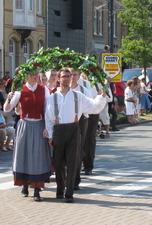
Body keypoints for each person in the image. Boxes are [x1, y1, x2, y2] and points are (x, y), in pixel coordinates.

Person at [45, 68, 106, 203]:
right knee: (59, 162)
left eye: (68, 76)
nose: (66, 79)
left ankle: (70, 192)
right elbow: (48, 118)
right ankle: (60, 189)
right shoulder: (52, 97)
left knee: (73, 162)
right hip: (59, 130)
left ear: (71, 78)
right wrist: (50, 135)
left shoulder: (78, 96)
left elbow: (94, 107)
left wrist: (102, 96)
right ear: (58, 79)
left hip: (74, 130)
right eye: (63, 77)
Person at [4, 70, 51, 201]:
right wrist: (8, 98)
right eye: (32, 75)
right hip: (25, 125)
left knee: (38, 156)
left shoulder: (44, 89)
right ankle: (24, 185)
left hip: (39, 125)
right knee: (23, 154)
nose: (35, 77)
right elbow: (7, 109)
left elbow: (48, 109)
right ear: (27, 76)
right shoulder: (20, 91)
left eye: (36, 74)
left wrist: (48, 127)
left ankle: (37, 189)